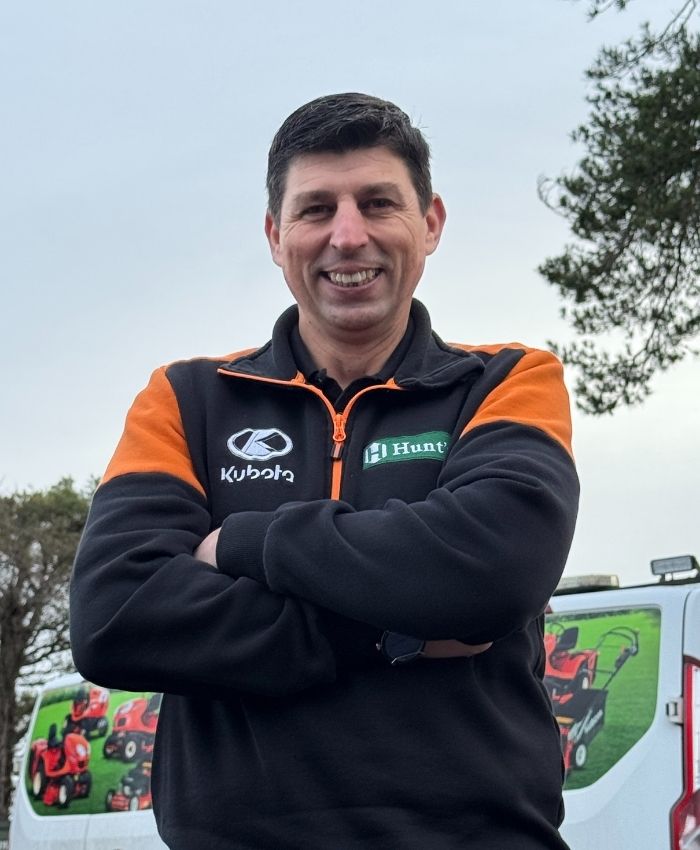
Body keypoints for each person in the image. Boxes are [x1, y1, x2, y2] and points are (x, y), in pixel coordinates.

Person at [70, 92, 579, 850]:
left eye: (378, 202)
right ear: (276, 236)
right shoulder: (185, 399)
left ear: (430, 223)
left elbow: (492, 570)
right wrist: (391, 634)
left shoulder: (509, 381)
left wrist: (242, 544)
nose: (348, 236)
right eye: (316, 210)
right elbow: (115, 616)